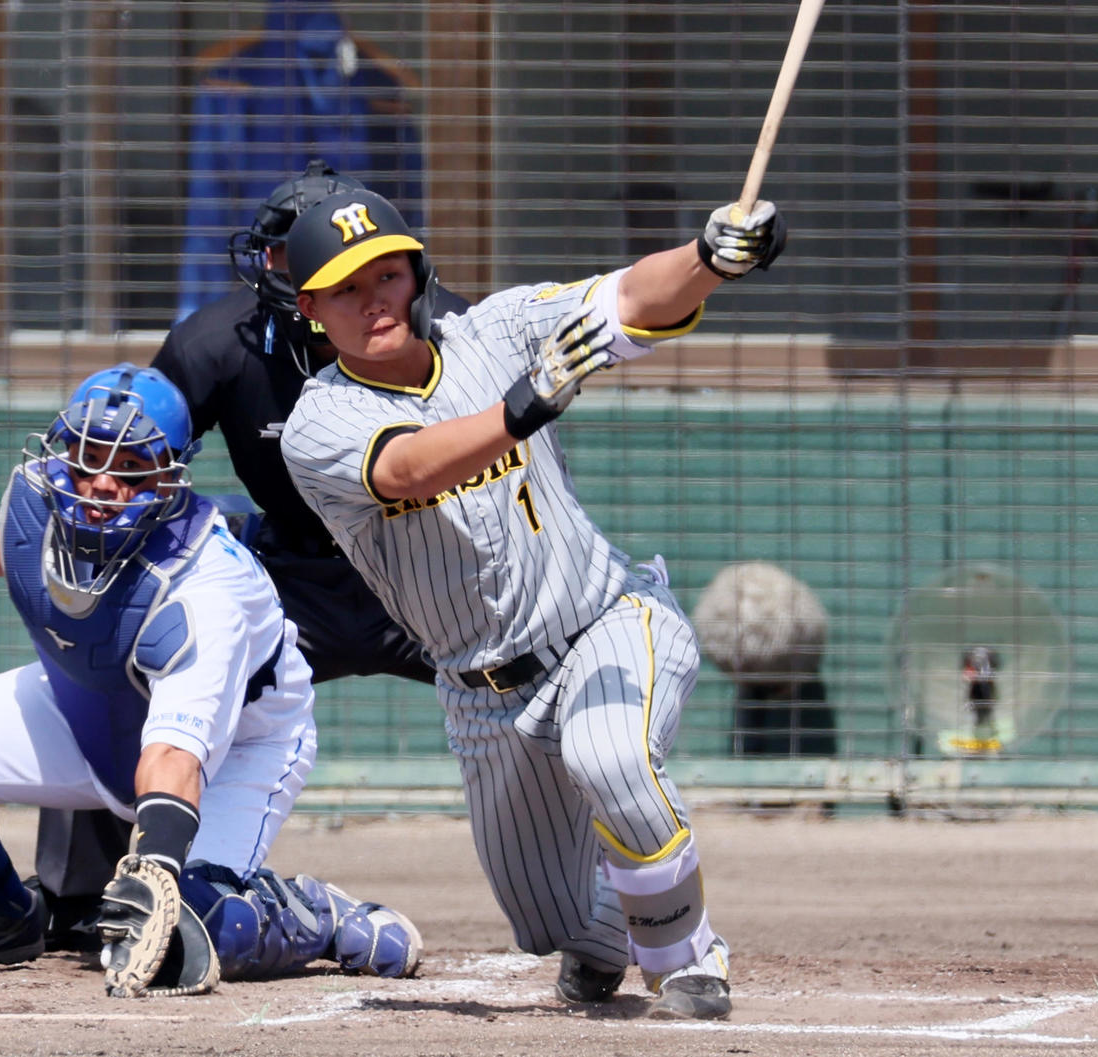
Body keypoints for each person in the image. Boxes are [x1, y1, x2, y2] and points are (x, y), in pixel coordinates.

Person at [278, 186, 787, 1021]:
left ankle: (687, 961)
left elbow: (627, 299)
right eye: (345, 287)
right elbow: (407, 470)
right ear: (311, 309)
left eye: (387, 272)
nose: (374, 299)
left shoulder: (499, 329)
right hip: (485, 697)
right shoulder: (316, 424)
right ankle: (613, 940)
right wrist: (523, 406)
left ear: (416, 271)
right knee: (549, 919)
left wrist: (706, 258)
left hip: (605, 622)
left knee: (609, 754)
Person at [0, 364, 421, 993]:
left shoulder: (208, 586)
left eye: (130, 468)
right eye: (87, 458)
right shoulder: (41, 496)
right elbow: (25, 540)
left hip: (234, 753)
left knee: (187, 937)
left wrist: (156, 868)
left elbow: (175, 753)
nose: (100, 485)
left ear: (172, 473)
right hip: (88, 712)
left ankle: (312, 916)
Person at [28, 160, 466, 937]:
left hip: (430, 567)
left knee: (544, 682)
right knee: (125, 660)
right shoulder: (215, 342)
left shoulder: (452, 333)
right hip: (291, 576)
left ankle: (613, 898)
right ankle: (78, 897)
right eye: (277, 253)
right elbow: (133, 468)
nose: (273, 265)